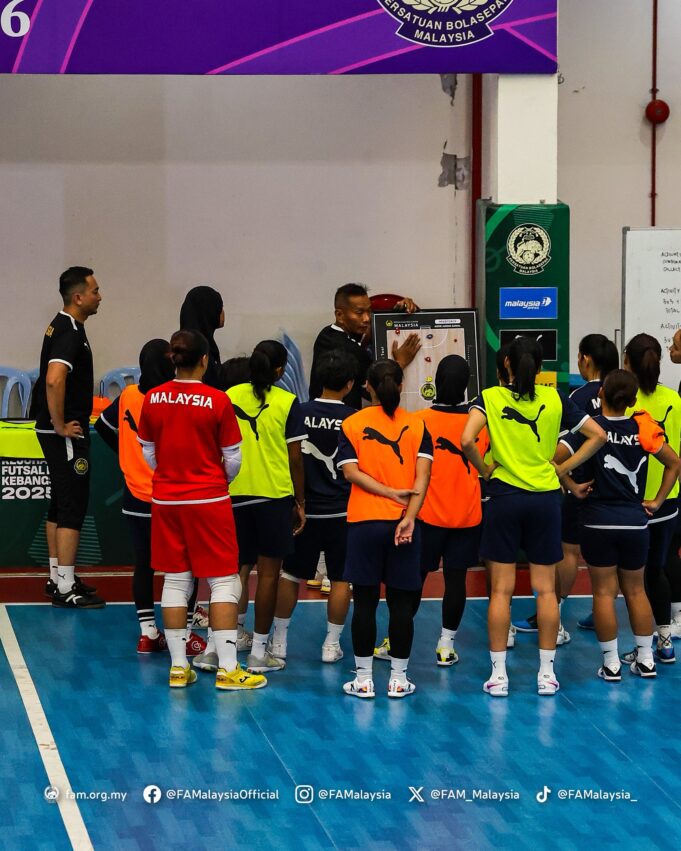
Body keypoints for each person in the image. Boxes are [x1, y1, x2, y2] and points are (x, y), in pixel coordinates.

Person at [461, 337, 606, 697]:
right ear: (540, 367)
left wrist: (485, 470)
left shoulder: (491, 397)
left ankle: (499, 676)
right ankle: (546, 675)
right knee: (544, 589)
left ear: (506, 364)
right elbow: (599, 435)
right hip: (544, 500)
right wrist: (560, 468)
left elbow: (466, 440)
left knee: (500, 589)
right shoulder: (555, 398)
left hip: (504, 497)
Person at [137, 329, 266, 691]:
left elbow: (147, 451)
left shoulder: (153, 398)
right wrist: (213, 481)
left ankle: (179, 668)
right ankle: (228, 670)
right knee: (224, 580)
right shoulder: (218, 400)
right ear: (205, 361)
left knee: (177, 579)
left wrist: (170, 475)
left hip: (166, 500)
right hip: (208, 500)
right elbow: (233, 458)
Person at [555, 370, 680, 680]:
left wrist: (571, 484)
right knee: (637, 591)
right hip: (636, 524)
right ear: (634, 400)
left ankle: (611, 664)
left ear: (601, 396)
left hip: (596, 522)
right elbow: (675, 463)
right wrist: (657, 502)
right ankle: (647, 660)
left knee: (602, 593)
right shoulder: (643, 428)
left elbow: (553, 460)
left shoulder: (591, 428)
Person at [95, 340, 207, 656]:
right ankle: (183, 636)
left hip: (135, 499)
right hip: (171, 498)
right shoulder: (172, 399)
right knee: (185, 566)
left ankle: (147, 634)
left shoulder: (129, 396)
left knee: (144, 565)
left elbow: (103, 426)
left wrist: (125, 454)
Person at [337, 360, 433, 698]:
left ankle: (363, 680)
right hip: (404, 526)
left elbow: (350, 473)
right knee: (401, 605)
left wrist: (385, 492)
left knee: (364, 603)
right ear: (401, 383)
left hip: (363, 524)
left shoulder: (352, 423)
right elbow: (422, 477)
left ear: (369, 386)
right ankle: (398, 680)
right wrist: (408, 514)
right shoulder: (419, 426)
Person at [513, 334, 619, 636]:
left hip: (583, 484)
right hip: (620, 488)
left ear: (585, 359)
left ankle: (553, 619)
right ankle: (603, 609)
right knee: (609, 555)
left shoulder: (577, 397)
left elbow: (565, 445)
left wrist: (561, 472)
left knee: (570, 551)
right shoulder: (623, 390)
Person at [269, 351, 357, 664]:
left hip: (303, 512)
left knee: (291, 576)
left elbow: (288, 458)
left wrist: (296, 500)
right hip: (343, 512)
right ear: (349, 384)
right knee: (340, 579)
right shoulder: (354, 417)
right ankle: (331, 645)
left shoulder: (299, 411)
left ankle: (278, 642)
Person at [227, 341, 307, 673]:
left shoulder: (229, 396)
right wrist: (300, 501)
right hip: (274, 496)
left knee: (235, 571)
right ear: (279, 370)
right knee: (269, 574)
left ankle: (228, 643)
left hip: (234, 494)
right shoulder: (288, 403)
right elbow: (294, 459)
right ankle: (260, 651)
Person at [33, 267, 105, 608]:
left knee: (61, 502)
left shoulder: (61, 324)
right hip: (63, 433)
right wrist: (60, 424)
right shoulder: (70, 332)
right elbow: (53, 379)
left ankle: (57, 577)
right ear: (78, 297)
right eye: (94, 290)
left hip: (54, 430)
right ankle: (64, 588)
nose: (99, 295)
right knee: (73, 505)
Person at [416, 355, 488, 666]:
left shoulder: (418, 420)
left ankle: (396, 637)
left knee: (413, 578)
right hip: (467, 516)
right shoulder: (479, 425)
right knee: (456, 581)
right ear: (466, 385)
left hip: (427, 516)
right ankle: (446, 644)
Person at [619, 333, 681, 664]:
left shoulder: (627, 403)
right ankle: (665, 640)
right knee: (657, 570)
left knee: (635, 580)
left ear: (627, 361)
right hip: (667, 500)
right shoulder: (674, 399)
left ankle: (642, 648)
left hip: (633, 501)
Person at [193, 356, 254, 673]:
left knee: (219, 576)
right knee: (231, 578)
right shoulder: (231, 408)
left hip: (212, 499)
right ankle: (218, 649)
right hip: (242, 497)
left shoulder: (207, 407)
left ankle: (217, 645)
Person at [309, 283, 420, 409]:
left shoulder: (327, 333)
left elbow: (374, 326)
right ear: (340, 315)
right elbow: (380, 385)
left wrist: (401, 306)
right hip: (340, 420)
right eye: (359, 312)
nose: (367, 318)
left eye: (369, 311)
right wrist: (401, 361)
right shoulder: (348, 349)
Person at [179, 285, 225, 390]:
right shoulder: (200, 354)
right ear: (210, 311)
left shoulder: (182, 346)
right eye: (220, 307)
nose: (223, 312)